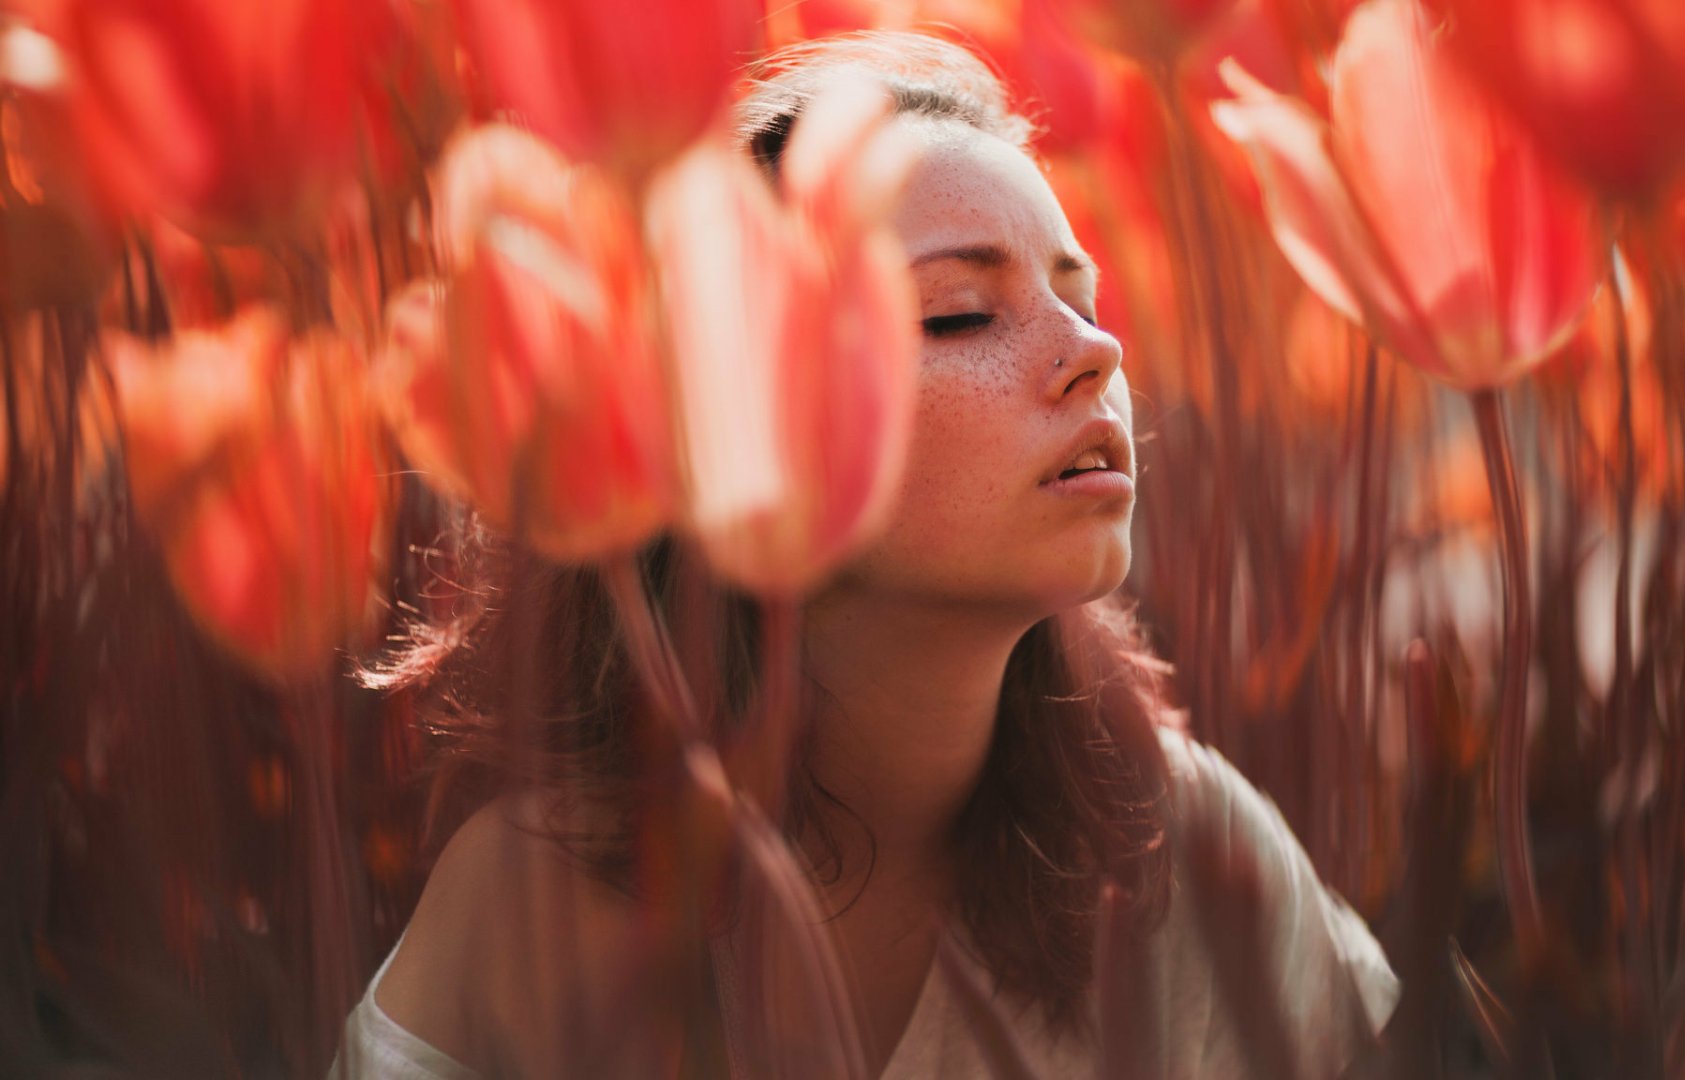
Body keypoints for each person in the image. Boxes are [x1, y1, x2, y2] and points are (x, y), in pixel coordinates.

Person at [332, 31, 1396, 1080]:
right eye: (962, 313)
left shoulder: (1180, 848)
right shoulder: (537, 908)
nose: (1098, 352)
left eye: (1082, 297)